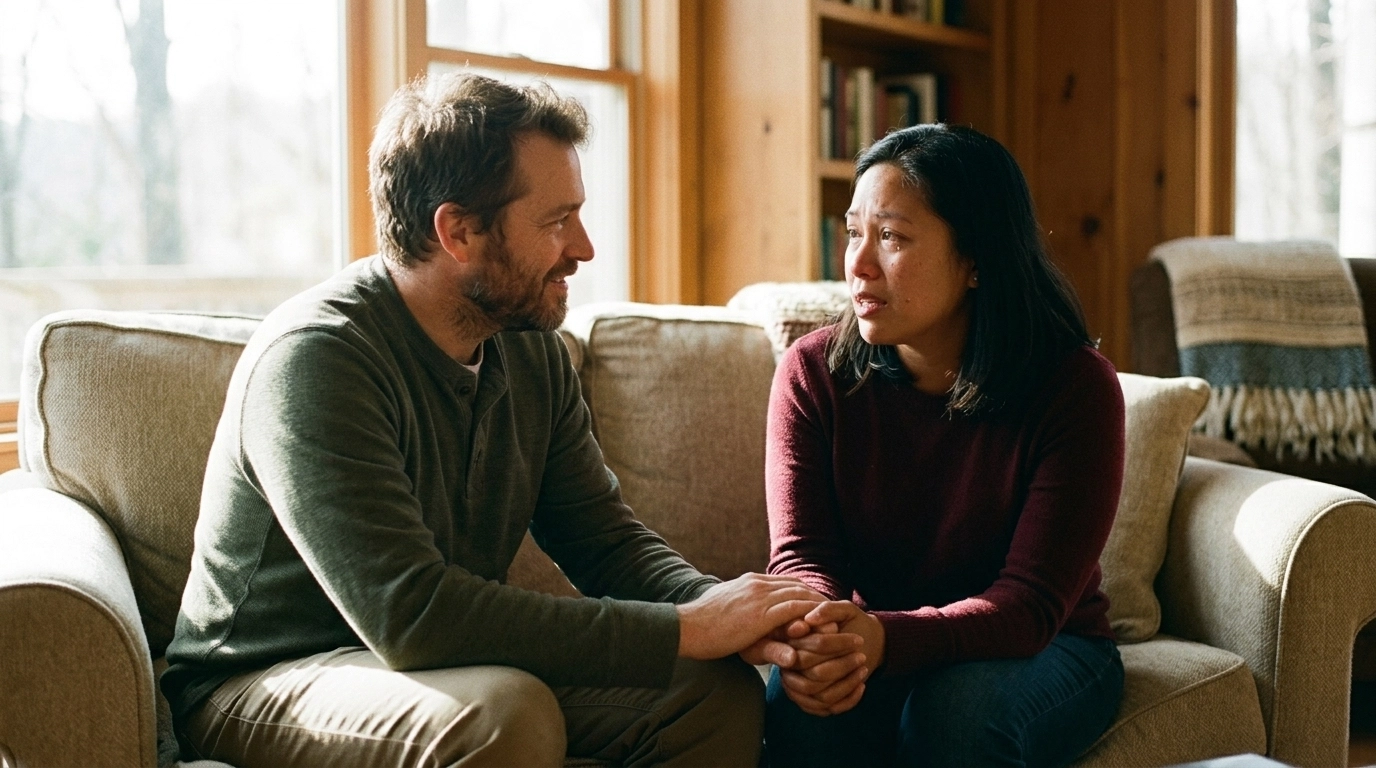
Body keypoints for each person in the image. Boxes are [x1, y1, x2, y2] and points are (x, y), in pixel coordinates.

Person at [161, 72, 821, 768]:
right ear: (459, 231)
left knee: (708, 690)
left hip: (431, 668)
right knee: (505, 714)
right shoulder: (317, 360)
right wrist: (684, 627)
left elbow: (604, 542)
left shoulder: (526, 345)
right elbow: (412, 614)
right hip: (262, 680)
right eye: (556, 221)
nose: (585, 247)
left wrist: (737, 615)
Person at [762, 124, 1127, 767]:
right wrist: (823, 633)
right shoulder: (813, 373)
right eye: (853, 232)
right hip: (876, 635)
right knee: (803, 703)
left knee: (955, 716)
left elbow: (1029, 604)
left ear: (977, 260)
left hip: (1045, 646)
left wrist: (885, 641)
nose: (858, 264)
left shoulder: (1073, 387)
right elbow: (801, 556)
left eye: (893, 237)